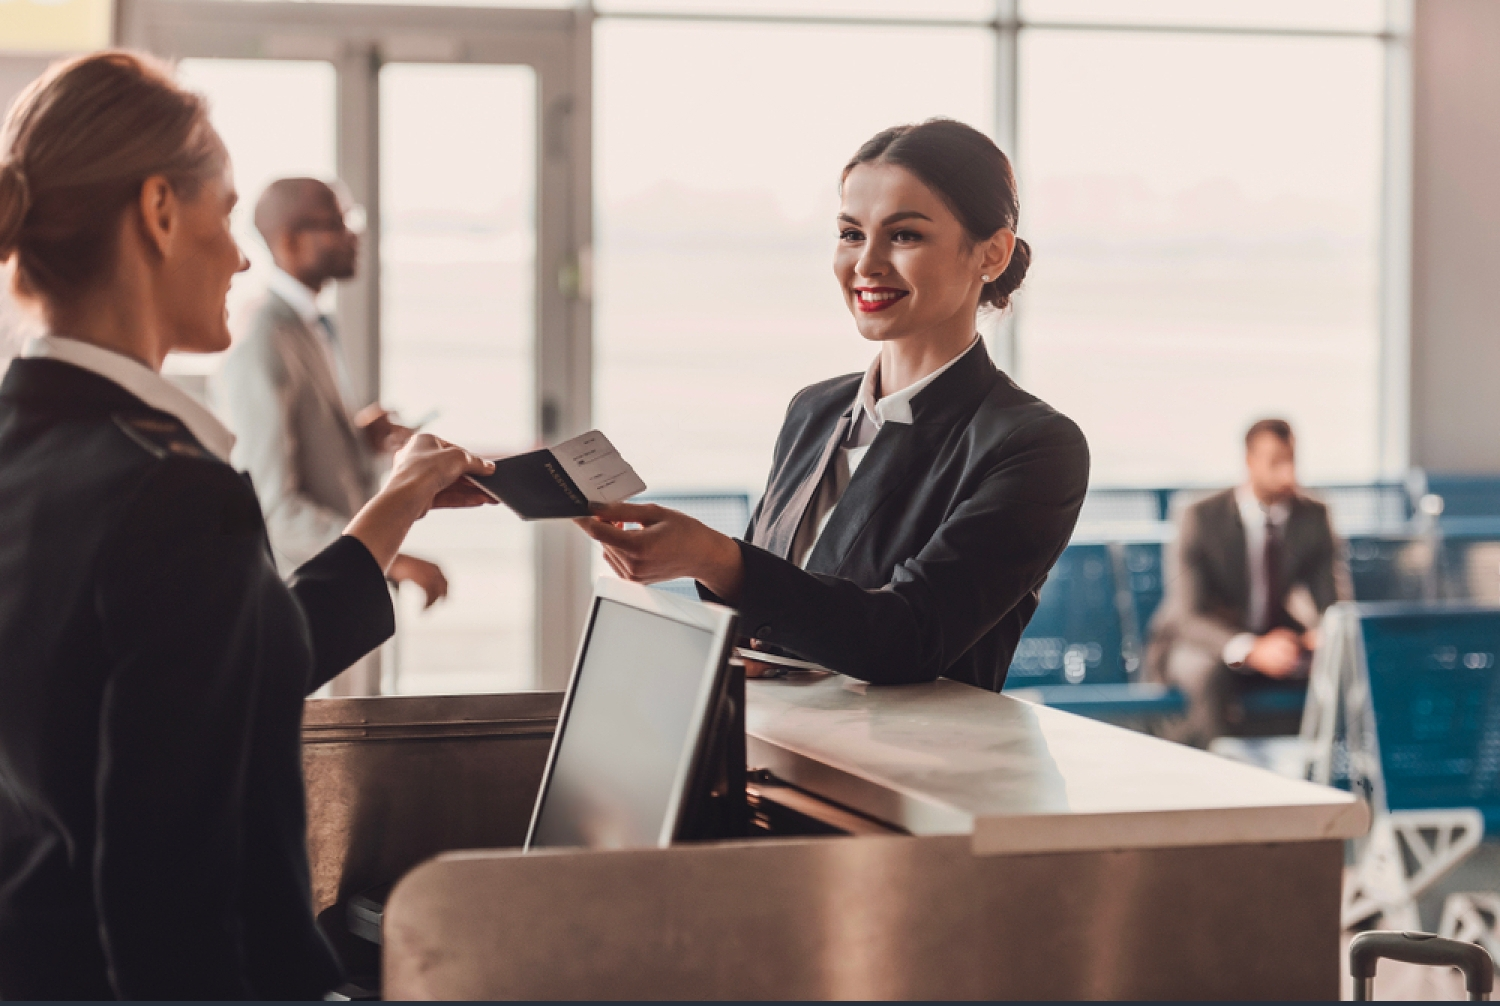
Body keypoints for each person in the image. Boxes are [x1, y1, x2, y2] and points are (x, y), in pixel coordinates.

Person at [0, 52, 495, 999]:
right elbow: (176, 900)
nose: (238, 254)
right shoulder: (170, 493)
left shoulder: (35, 447)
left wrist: (391, 511)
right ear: (157, 212)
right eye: (226, 214)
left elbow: (218, 671)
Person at [575, 119, 1090, 690]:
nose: (866, 264)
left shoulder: (1033, 446)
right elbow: (772, 608)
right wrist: (696, 574)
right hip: (766, 745)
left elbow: (909, 638)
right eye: (850, 234)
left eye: (904, 236)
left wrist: (713, 558)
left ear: (991, 253)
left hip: (906, 768)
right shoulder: (815, 410)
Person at [213, 176, 447, 603]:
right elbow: (274, 509)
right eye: (336, 223)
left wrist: (355, 439)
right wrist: (391, 557)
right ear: (290, 239)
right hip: (301, 601)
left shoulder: (311, 324)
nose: (353, 234)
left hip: (338, 590)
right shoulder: (260, 342)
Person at [1146, 419, 1351, 746]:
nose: (1287, 474)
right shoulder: (1200, 517)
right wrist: (1252, 649)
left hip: (1273, 638)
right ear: (1249, 462)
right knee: (1209, 673)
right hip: (1198, 641)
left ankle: (1316, 776)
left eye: (1291, 461)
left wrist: (1322, 635)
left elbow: (1333, 607)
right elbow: (1188, 616)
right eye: (1275, 462)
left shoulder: (1312, 516)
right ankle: (1216, 779)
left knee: (1341, 666)